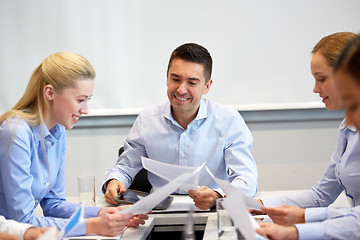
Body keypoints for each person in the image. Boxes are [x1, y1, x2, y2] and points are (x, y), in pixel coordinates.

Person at [0, 52, 147, 237]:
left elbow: (54, 204)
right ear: (50, 93)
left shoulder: (57, 131)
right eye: (80, 100)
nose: (85, 110)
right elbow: (22, 222)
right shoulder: (16, 132)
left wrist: (103, 214)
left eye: (88, 100)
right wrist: (92, 225)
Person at [103, 43, 258, 210]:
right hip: (157, 213)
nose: (181, 89)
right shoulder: (147, 119)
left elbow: (246, 179)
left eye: (192, 82)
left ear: (207, 86)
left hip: (212, 213)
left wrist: (218, 195)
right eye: (175, 79)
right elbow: (125, 168)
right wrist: (114, 181)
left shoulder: (229, 120)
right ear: (167, 77)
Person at [255, 32, 360, 239]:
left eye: (321, 79)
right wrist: (260, 205)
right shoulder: (346, 128)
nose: (314, 88)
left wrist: (299, 226)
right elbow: (321, 194)